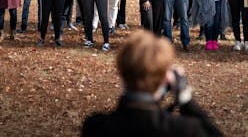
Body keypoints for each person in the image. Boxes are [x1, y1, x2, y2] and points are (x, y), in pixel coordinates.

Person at [81, 30, 223, 137]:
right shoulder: (184, 129)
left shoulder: (95, 127)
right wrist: (185, 99)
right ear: (166, 78)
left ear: (121, 73)